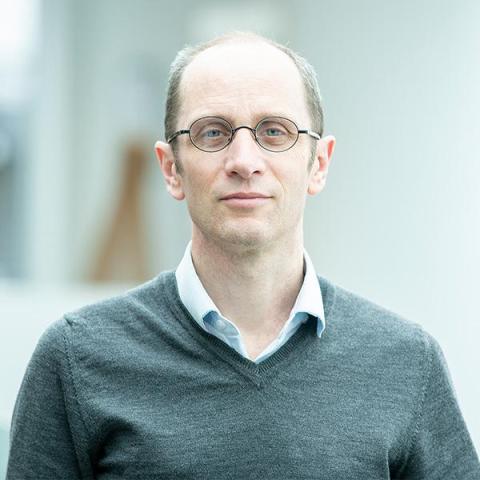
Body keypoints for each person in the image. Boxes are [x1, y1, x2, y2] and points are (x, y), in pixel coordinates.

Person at [7, 31, 479, 479]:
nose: (245, 161)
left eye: (275, 131)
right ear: (171, 169)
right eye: (213, 133)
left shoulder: (405, 363)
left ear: (319, 163)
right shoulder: (77, 359)